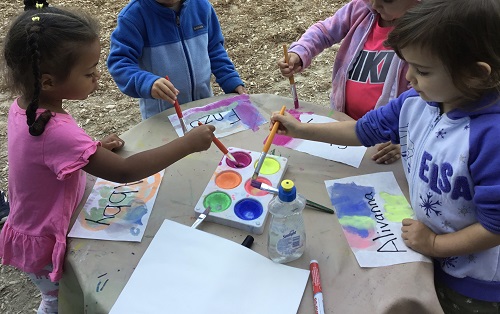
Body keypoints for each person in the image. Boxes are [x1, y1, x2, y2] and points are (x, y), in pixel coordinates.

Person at [271, 0, 500, 312]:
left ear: (474, 75)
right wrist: (300, 130)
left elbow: (494, 226)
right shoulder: (418, 101)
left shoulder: (492, 138)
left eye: (422, 70)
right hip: (424, 249)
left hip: (474, 282)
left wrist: (435, 245)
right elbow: (364, 130)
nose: (409, 78)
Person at [0, 1, 215, 313]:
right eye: (89, 73)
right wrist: (188, 143)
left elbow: (46, 157)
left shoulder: (25, 108)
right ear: (47, 81)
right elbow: (126, 172)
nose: (97, 78)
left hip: (35, 220)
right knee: (59, 299)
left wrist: (90, 151)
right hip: (47, 240)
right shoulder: (55, 129)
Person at [278, 0, 420, 165]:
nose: (374, 5)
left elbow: (426, 105)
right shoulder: (361, 9)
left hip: (385, 137)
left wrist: (406, 138)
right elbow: (324, 31)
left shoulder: (425, 33)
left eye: (386, 1)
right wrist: (300, 52)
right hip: (343, 123)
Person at [107, 0, 246, 120]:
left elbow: (214, 49)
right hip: (163, 118)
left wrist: (231, 81)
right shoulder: (133, 17)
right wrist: (147, 82)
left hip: (204, 109)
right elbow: (120, 63)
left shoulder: (202, 6)